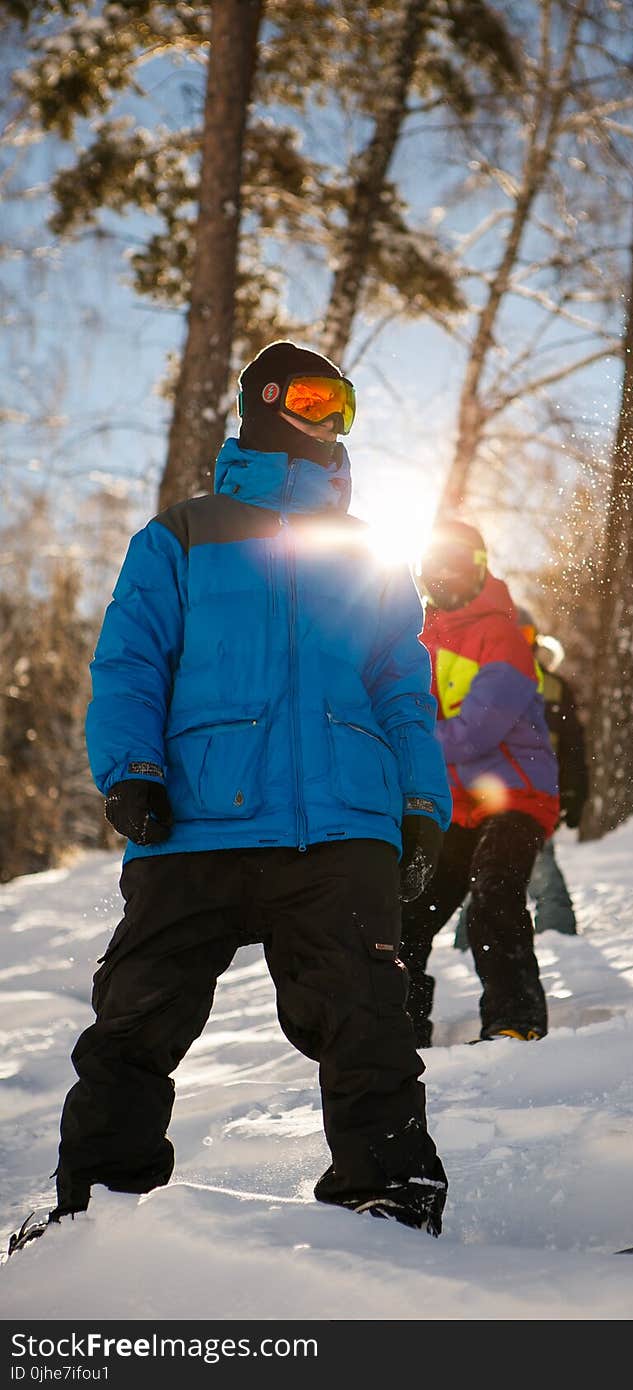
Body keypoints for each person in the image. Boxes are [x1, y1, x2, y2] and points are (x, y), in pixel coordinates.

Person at [18, 341, 452, 1250]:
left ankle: (393, 1205)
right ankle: (95, 1217)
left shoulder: (369, 549)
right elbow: (131, 662)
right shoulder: (181, 534)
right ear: (261, 400)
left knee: (366, 1016)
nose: (329, 419)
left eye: (345, 405)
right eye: (311, 395)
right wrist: (132, 770)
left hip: (338, 821)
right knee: (138, 1014)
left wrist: (420, 802)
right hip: (195, 821)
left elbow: (401, 683)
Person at [399, 519, 560, 1046]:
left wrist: (405, 743)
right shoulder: (416, 638)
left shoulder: (502, 635)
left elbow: (479, 729)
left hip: (516, 795)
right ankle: (399, 1024)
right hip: (458, 805)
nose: (443, 576)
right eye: (434, 565)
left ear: (477, 568)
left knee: (494, 894)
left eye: (454, 564)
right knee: (409, 909)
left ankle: (516, 1019)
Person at [455, 609, 587, 943]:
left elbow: (572, 746)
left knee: (538, 867)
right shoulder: (482, 683)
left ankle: (558, 932)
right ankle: (469, 939)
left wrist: (573, 792)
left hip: (537, 792)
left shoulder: (553, 687)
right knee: (485, 868)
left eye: (525, 637)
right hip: (487, 791)